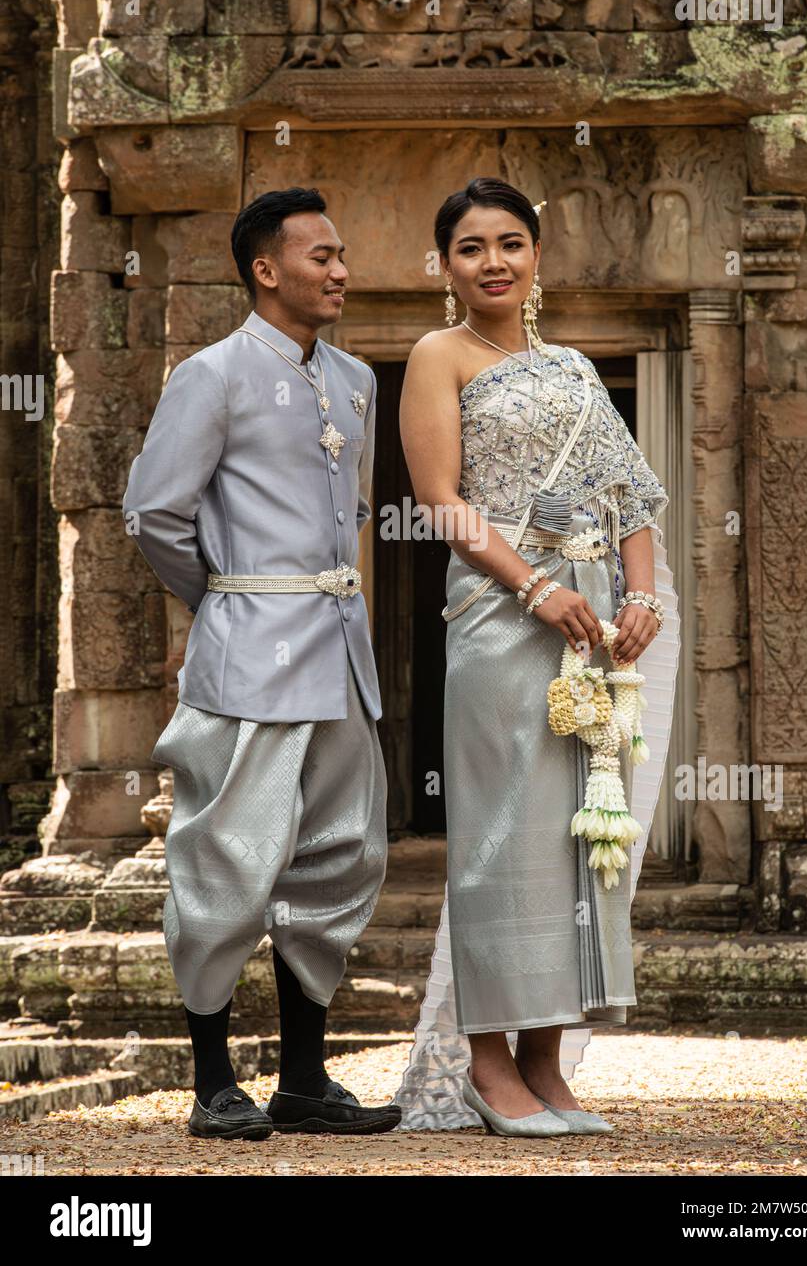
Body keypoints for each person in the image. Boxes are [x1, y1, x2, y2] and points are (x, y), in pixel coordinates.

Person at [394, 177, 680, 1136]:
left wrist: (638, 597)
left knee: (578, 831)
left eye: (509, 243)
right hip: (500, 614)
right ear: (446, 267)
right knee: (501, 830)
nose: (493, 263)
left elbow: (630, 495)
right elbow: (441, 500)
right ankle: (487, 1066)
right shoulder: (438, 356)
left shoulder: (573, 368)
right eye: (470, 247)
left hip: (589, 622)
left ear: (537, 257)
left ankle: (548, 1063)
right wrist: (534, 587)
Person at [122, 188, 401, 1140]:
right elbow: (156, 512)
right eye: (319, 255)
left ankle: (304, 1082)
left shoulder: (359, 379)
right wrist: (227, 603)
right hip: (249, 655)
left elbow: (351, 517)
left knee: (340, 860)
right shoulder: (213, 374)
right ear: (265, 270)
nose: (339, 270)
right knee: (225, 861)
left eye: (341, 254)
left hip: (340, 659)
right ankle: (212, 1083)